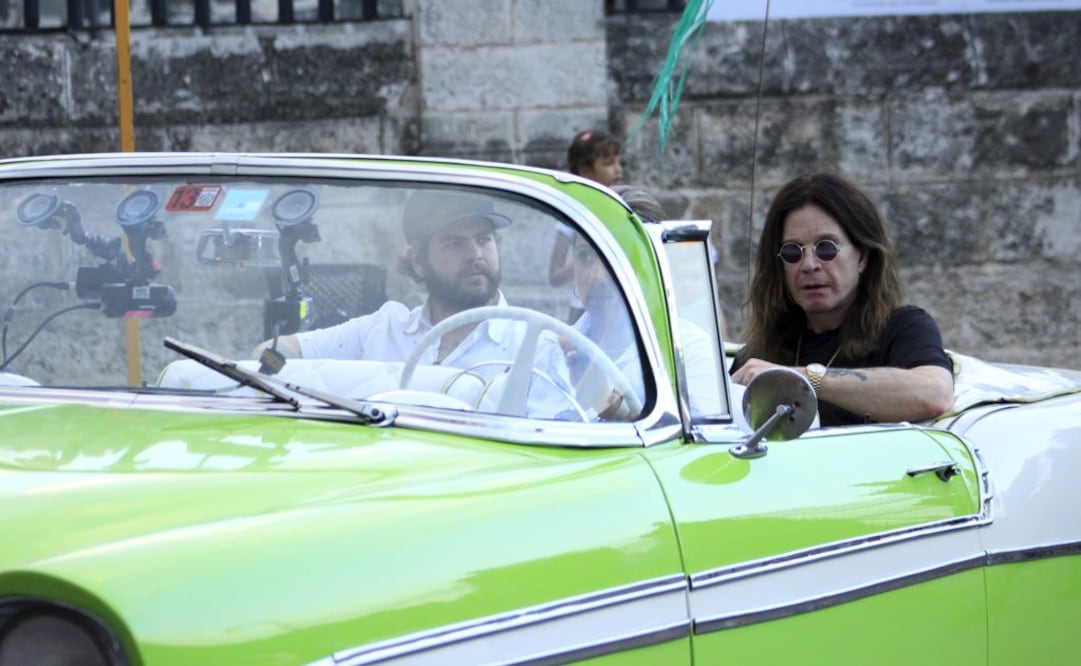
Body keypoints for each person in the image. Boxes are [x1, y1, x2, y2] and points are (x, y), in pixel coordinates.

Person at [252, 189, 574, 419]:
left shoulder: (535, 345)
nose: (475, 254)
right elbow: (277, 352)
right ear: (419, 261)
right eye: (454, 242)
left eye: (483, 239)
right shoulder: (384, 328)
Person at [730, 172, 954, 426]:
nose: (809, 265)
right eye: (793, 252)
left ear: (862, 257)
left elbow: (935, 394)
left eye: (826, 248)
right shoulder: (763, 349)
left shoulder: (903, 327)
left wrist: (801, 379)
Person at [549, 129, 623, 322]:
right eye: (608, 164)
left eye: (618, 161)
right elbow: (555, 275)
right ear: (586, 171)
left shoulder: (622, 209)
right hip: (582, 310)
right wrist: (589, 258)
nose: (618, 170)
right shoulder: (571, 213)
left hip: (617, 307)